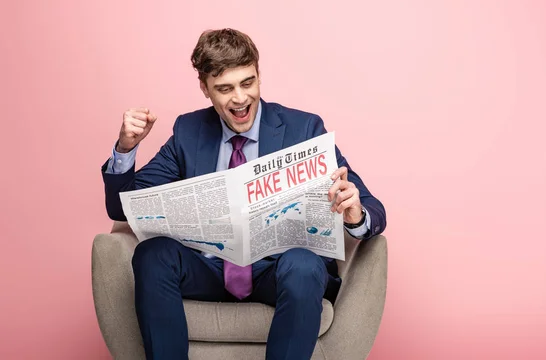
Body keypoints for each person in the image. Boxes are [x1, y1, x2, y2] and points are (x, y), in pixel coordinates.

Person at [101, 28, 386, 360]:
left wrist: (356, 215)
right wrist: (125, 149)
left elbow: (371, 208)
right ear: (205, 88)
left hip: (276, 272)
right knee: (153, 254)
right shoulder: (188, 132)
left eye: (247, 83)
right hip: (210, 270)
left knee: (305, 264)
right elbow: (122, 209)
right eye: (224, 88)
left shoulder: (303, 129)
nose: (239, 99)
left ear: (259, 75)